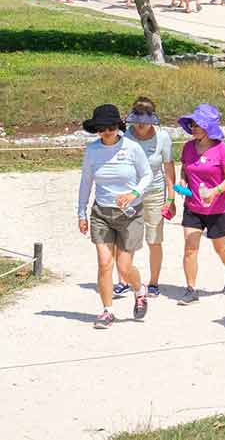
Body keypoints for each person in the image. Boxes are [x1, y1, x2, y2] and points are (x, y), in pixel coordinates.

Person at [78, 104, 152, 328]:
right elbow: (86, 183)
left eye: (110, 127)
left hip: (130, 213)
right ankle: (107, 311)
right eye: (101, 129)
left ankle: (139, 291)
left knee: (124, 268)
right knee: (104, 263)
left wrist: (133, 194)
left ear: (117, 127)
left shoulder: (132, 148)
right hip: (101, 212)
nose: (106, 132)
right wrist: (81, 213)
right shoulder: (92, 151)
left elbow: (147, 175)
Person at [175, 104, 225, 304]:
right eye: (192, 124)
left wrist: (215, 191)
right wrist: (183, 180)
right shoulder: (187, 147)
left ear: (209, 127)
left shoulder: (222, 149)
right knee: (190, 248)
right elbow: (185, 169)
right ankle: (191, 289)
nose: (193, 128)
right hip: (192, 206)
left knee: (221, 248)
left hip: (218, 208)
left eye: (198, 124)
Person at [120, 98, 175, 298]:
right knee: (127, 239)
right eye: (138, 117)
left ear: (153, 118)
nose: (141, 124)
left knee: (154, 239)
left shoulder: (163, 137)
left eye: (146, 117)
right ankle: (124, 280)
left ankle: (153, 282)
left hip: (155, 192)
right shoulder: (126, 137)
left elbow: (168, 168)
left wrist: (170, 199)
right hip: (131, 194)